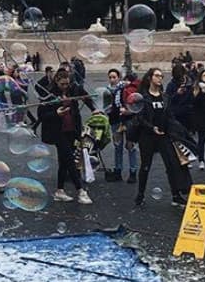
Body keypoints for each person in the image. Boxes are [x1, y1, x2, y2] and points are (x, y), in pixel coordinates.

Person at [131, 68, 189, 207]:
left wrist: (176, 129)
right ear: (150, 78)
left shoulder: (164, 96)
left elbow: (169, 115)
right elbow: (139, 117)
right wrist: (152, 128)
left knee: (171, 165)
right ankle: (140, 195)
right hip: (148, 136)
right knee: (145, 166)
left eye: (161, 76)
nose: (160, 78)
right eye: (157, 76)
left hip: (164, 135)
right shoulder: (143, 97)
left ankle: (176, 195)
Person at [38, 68, 94, 204]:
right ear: (57, 81)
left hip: (71, 130)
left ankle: (59, 191)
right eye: (62, 84)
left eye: (67, 84)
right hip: (57, 132)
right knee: (70, 159)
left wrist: (94, 108)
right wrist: (56, 113)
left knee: (64, 161)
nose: (65, 86)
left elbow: (85, 96)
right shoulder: (49, 94)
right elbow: (41, 115)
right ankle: (81, 191)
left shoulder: (71, 91)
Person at [104, 68, 139, 183]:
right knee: (117, 147)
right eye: (110, 77)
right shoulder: (107, 91)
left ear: (119, 78)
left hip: (128, 120)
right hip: (115, 121)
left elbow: (133, 104)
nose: (112, 79)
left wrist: (128, 111)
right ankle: (118, 171)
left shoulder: (125, 88)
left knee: (131, 147)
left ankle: (133, 172)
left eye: (114, 77)